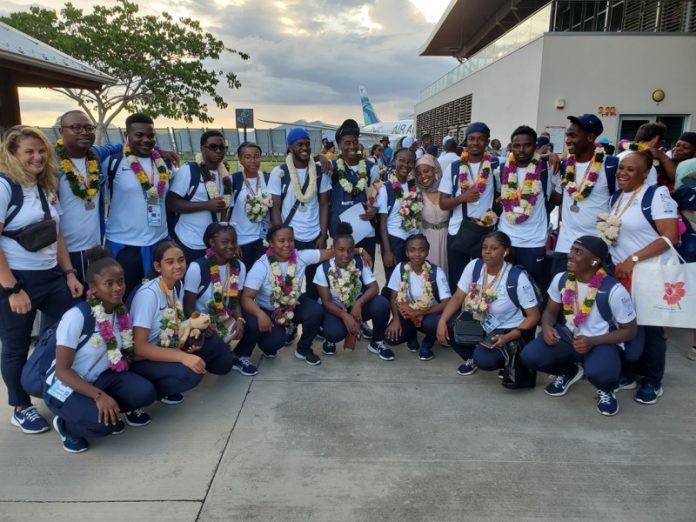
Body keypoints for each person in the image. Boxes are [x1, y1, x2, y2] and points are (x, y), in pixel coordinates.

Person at [0, 125, 83, 435]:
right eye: (29, 152)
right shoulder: (5, 187)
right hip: (17, 278)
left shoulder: (44, 185)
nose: (37, 156)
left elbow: (56, 233)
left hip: (50, 276)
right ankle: (21, 407)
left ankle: (46, 380)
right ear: (12, 155)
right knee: (15, 344)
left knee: (67, 328)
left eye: (41, 150)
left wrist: (69, 273)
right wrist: (13, 288)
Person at [46, 248, 157, 453]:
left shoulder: (120, 313)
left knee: (145, 392)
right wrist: (99, 397)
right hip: (64, 385)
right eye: (109, 283)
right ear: (93, 288)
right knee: (104, 426)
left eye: (121, 281)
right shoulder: (76, 317)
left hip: (100, 378)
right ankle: (66, 425)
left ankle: (108, 411)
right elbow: (62, 371)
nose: (118, 288)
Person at [521, 236, 637, 416]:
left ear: (595, 260)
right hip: (568, 336)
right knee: (529, 356)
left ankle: (606, 390)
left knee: (602, 374)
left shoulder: (614, 290)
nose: (570, 256)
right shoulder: (562, 279)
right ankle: (569, 371)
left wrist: (592, 341)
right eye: (571, 250)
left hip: (601, 342)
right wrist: (546, 327)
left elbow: (630, 331)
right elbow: (551, 312)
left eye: (578, 252)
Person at [604, 149, 679, 404]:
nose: (623, 173)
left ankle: (652, 380)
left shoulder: (656, 194)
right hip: (620, 273)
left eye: (631, 169)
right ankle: (629, 373)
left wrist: (634, 259)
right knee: (626, 323)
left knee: (651, 328)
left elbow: (670, 236)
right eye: (621, 167)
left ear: (646, 174)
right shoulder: (618, 195)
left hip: (648, 273)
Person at [130, 240, 234, 405]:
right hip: (143, 358)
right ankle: (146, 394)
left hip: (168, 345)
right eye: (170, 262)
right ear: (158, 267)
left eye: (181, 260)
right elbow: (139, 348)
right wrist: (182, 357)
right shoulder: (148, 295)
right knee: (190, 373)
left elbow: (176, 322)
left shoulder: (176, 284)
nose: (178, 266)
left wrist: (190, 331)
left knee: (220, 353)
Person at [436, 232, 541, 376]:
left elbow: (533, 316)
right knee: (449, 325)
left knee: (485, 360)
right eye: (484, 247)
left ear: (506, 251)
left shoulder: (517, 277)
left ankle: (507, 359)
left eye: (494, 248)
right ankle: (472, 358)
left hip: (506, 327)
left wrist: (509, 336)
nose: (487, 252)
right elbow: (458, 297)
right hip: (481, 320)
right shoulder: (475, 266)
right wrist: (442, 320)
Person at [103, 112, 172, 297]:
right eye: (139, 135)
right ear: (127, 135)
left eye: (150, 136)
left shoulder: (163, 163)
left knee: (158, 297)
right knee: (122, 298)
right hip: (125, 244)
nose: (145, 140)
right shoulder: (113, 162)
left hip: (158, 242)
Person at [241, 225, 330, 366]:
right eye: (281, 241)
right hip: (269, 309)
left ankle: (303, 349)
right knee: (273, 344)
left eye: (290, 240)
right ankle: (267, 341)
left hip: (293, 303)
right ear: (271, 243)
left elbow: (331, 252)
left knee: (315, 310)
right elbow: (246, 297)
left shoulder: (300, 257)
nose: (287, 245)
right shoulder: (261, 266)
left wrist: (360, 251)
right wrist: (259, 314)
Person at [55, 110, 124, 283]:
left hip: (94, 250)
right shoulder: (50, 163)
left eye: (89, 128)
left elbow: (121, 146)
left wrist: (159, 151)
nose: (84, 132)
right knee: (67, 306)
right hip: (62, 254)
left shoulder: (95, 155)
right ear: (61, 131)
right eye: (76, 128)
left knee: (96, 303)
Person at [183, 222, 258, 377]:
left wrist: (240, 319)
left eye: (234, 242)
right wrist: (202, 324)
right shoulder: (197, 268)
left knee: (253, 322)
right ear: (212, 243)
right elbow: (188, 307)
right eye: (225, 242)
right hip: (203, 322)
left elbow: (235, 298)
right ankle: (214, 355)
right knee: (224, 364)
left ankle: (240, 355)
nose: (231, 246)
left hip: (225, 316)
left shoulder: (239, 266)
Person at [550, 114, 619, 275]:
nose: (567, 140)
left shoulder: (611, 166)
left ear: (590, 137)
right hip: (565, 245)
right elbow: (559, 198)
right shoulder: (566, 164)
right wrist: (547, 178)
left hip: (595, 247)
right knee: (559, 291)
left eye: (573, 135)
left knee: (588, 295)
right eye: (568, 135)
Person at [269, 128, 331, 300]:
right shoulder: (279, 172)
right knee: (288, 282)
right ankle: (289, 322)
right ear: (290, 147)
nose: (304, 148)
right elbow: (275, 206)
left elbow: (324, 203)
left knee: (314, 284)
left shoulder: (320, 171)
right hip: (289, 238)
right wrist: (278, 237)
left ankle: (313, 322)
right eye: (300, 144)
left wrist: (323, 234)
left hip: (314, 236)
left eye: (307, 144)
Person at [313, 222, 391, 358]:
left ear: (354, 248)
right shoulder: (323, 269)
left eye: (350, 250)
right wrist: (346, 317)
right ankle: (329, 339)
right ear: (333, 249)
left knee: (381, 303)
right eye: (341, 249)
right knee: (334, 332)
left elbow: (374, 288)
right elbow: (326, 302)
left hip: (356, 308)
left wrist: (359, 303)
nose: (346, 254)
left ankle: (377, 341)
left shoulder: (359, 262)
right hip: (335, 309)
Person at [438, 121, 501, 289]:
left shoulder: (496, 166)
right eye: (471, 138)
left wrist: (552, 156)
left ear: (487, 141)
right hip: (458, 233)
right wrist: (461, 198)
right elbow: (443, 204)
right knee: (457, 281)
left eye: (480, 139)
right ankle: (457, 314)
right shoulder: (454, 168)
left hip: (485, 234)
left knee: (483, 281)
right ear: (466, 140)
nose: (475, 143)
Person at [498, 126, 551, 284]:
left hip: (534, 241)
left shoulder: (547, 169)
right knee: (505, 286)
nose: (521, 149)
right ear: (511, 146)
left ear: (535, 147)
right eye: (516, 145)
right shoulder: (501, 168)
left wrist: (552, 156)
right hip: (505, 239)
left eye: (526, 145)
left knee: (533, 287)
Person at [167, 130, 230, 264]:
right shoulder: (189, 170)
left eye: (222, 147)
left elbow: (225, 208)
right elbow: (172, 203)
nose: (218, 150)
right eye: (213, 147)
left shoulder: (225, 175)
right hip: (189, 242)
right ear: (202, 149)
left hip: (216, 245)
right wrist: (207, 205)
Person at [385, 234, 451, 361]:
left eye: (421, 250)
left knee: (433, 324)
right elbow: (393, 296)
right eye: (412, 250)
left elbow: (446, 302)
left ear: (427, 252)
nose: (417, 254)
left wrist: (421, 312)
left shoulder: (436, 272)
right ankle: (411, 335)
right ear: (407, 252)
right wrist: (396, 319)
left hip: (429, 314)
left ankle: (429, 341)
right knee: (391, 339)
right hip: (408, 312)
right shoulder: (400, 269)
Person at [329, 119, 380, 261]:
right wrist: (319, 157)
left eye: (355, 142)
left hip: (365, 231)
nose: (352, 146)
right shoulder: (331, 168)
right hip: (341, 235)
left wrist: (374, 209)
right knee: (341, 278)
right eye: (347, 143)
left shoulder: (371, 168)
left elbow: (377, 197)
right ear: (338, 145)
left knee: (366, 274)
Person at [375, 148, 420, 282]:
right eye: (401, 160)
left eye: (410, 162)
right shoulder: (385, 188)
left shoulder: (415, 187)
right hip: (394, 241)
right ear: (394, 161)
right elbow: (382, 221)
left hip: (412, 241)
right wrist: (387, 251)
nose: (405, 165)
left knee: (411, 281)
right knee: (394, 284)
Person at [229, 142, 272, 268]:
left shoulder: (268, 179)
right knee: (240, 278)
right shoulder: (233, 180)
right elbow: (225, 213)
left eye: (256, 156)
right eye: (247, 157)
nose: (253, 161)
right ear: (240, 160)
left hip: (262, 239)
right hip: (240, 241)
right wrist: (232, 242)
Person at [415, 154, 448, 277]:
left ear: (435, 169)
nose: (423, 176)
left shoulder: (447, 190)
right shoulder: (417, 193)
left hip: (446, 238)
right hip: (426, 238)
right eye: (418, 173)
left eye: (426, 171)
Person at [615, 122, 674, 187]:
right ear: (656, 139)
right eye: (662, 142)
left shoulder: (618, 156)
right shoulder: (646, 165)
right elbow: (650, 193)